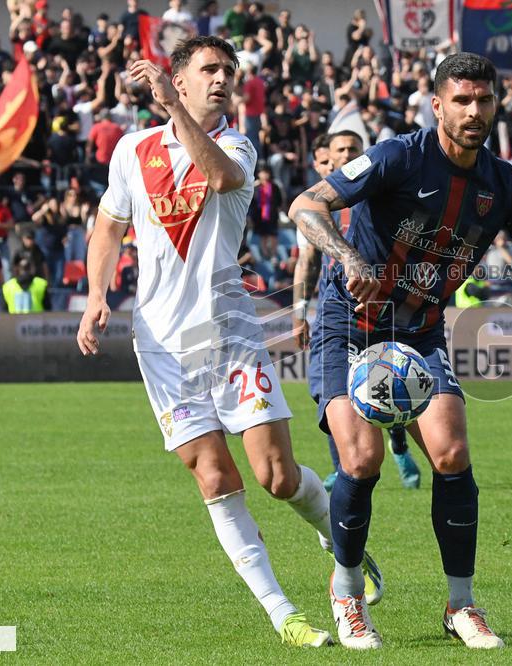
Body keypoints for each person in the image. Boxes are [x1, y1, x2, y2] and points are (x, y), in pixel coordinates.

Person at [289, 52, 512, 650]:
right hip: (348, 325)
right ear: (438, 105)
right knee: (362, 459)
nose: (474, 111)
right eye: (461, 100)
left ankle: (461, 605)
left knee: (452, 453)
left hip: (420, 332)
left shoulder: (501, 182)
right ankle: (348, 590)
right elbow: (306, 203)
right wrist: (348, 257)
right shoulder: (397, 156)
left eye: (483, 100)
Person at [76, 36, 338, 648]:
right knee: (215, 477)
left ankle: (338, 539)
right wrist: (95, 295)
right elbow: (108, 227)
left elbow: (219, 179)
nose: (222, 79)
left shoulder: (237, 145)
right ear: (180, 78)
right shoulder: (132, 150)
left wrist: (173, 108)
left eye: (229, 71)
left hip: (230, 336)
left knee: (276, 476)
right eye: (209, 69)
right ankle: (283, 614)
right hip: (161, 345)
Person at [293, 131, 422, 493]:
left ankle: (398, 443)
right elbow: (307, 260)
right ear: (329, 158)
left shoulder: (382, 193)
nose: (348, 153)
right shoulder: (319, 204)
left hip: (385, 309)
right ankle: (343, 467)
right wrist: (300, 311)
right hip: (336, 312)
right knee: (334, 390)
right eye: (341, 150)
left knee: (389, 382)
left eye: (354, 148)